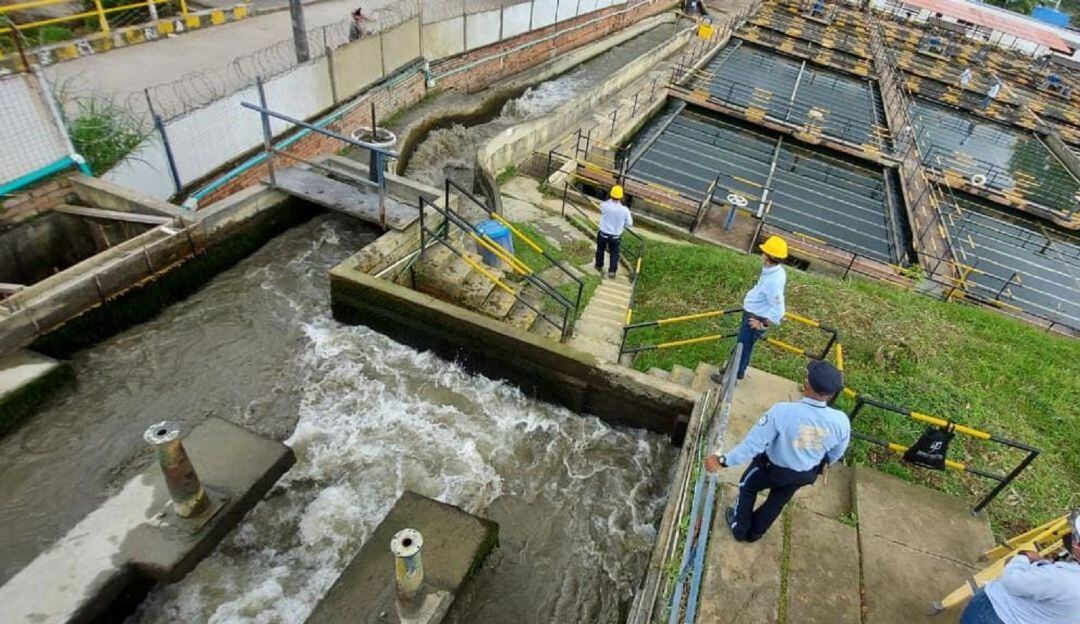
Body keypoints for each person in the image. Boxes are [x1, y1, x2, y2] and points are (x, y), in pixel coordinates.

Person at [704, 360, 849, 542]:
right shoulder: (841, 421)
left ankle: (740, 529)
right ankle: (755, 534)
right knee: (777, 500)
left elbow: (753, 445)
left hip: (772, 468)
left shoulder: (782, 412)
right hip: (805, 473)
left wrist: (723, 461)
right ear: (831, 394)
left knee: (747, 487)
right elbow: (835, 453)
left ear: (807, 384)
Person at [961, 510, 1080, 623]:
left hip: (994, 613)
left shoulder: (1062, 579)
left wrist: (1022, 558)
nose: (1070, 537)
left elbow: (1013, 581)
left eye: (1074, 536)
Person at [711, 235, 788, 383]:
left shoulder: (774, 281)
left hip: (755, 319)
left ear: (769, 257)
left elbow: (779, 309)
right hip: (753, 314)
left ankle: (730, 378)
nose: (762, 254)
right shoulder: (774, 271)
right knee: (742, 346)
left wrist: (762, 324)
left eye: (764, 252)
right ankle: (735, 371)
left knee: (743, 348)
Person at [595, 185, 632, 279]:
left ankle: (599, 265)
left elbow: (602, 206)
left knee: (600, 250)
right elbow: (630, 223)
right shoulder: (625, 210)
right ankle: (612, 271)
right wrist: (622, 226)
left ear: (610, 195)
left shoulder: (605, 205)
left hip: (603, 234)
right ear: (621, 197)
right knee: (614, 253)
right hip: (615, 236)